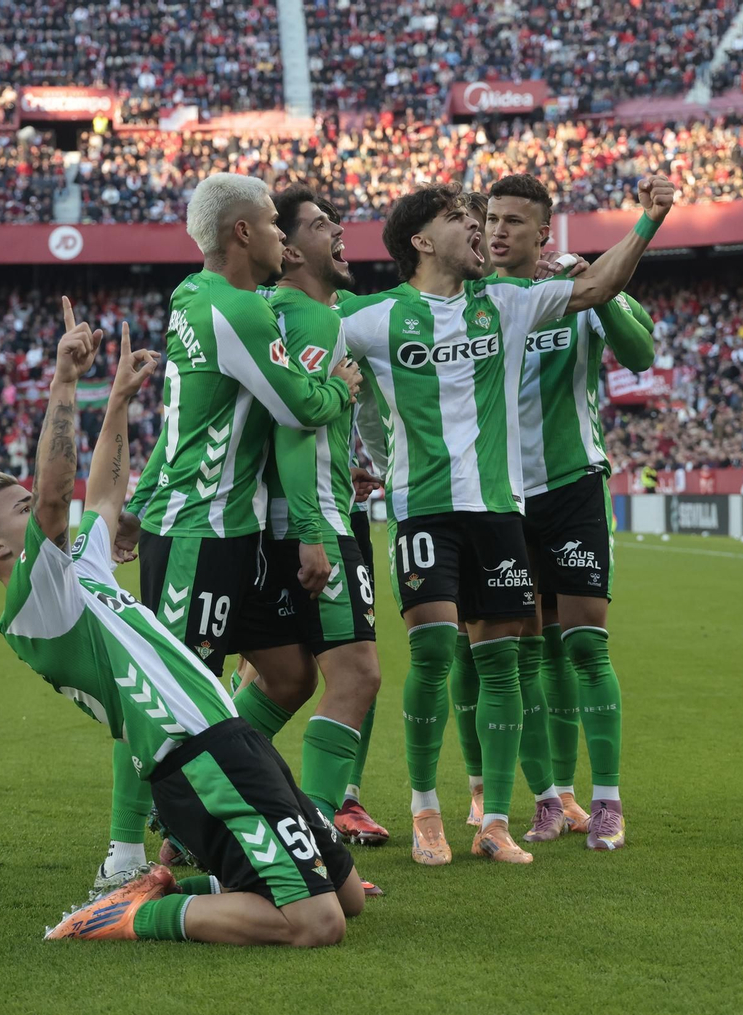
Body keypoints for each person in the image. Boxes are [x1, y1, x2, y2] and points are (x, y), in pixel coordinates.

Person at [0, 300, 364, 945]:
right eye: (24, 511)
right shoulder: (37, 605)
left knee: (347, 899)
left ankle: (170, 886)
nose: (41, 513)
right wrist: (66, 382)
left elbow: (104, 495)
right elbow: (59, 493)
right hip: (194, 757)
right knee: (317, 925)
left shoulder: (79, 570)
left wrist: (116, 401)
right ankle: (132, 916)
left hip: (230, 735)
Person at [341, 175, 675, 866]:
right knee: (438, 654)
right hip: (427, 507)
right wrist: (370, 458)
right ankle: (430, 807)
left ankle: (502, 816)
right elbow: (330, 378)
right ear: (423, 240)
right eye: (467, 217)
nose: (482, 228)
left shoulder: (510, 304)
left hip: (508, 505)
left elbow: (603, 297)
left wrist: (648, 220)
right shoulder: (371, 318)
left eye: (493, 218)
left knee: (519, 656)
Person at [107, 173, 362, 892]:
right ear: (242, 234)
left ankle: (212, 818)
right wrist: (345, 384)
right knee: (169, 692)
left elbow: (188, 414)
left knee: (287, 674)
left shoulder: (197, 296)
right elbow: (302, 406)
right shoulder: (238, 311)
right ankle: (126, 855)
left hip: (234, 529)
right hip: (198, 530)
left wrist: (143, 490)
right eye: (276, 223)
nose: (285, 234)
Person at [447, 173, 650, 849]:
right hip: (501, 496)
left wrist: (603, 290)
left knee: (585, 643)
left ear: (544, 232)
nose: (498, 230)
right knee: (523, 653)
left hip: (571, 485)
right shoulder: (472, 301)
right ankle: (547, 796)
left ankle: (608, 800)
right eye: (491, 218)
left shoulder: (580, 290)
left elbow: (642, 355)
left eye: (513, 220)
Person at [226, 187, 388, 844]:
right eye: (322, 224)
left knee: (288, 677)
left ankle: (194, 801)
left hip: (272, 523)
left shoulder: (273, 312)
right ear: (289, 249)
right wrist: (317, 531)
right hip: (312, 522)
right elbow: (297, 427)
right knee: (358, 674)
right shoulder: (314, 319)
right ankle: (318, 841)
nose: (339, 230)